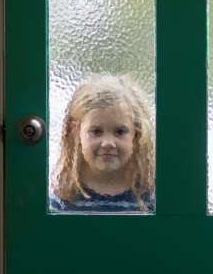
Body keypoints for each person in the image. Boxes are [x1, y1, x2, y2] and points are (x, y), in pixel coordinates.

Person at [50, 74, 155, 212]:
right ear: (76, 132)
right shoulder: (63, 201)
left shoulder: (150, 200)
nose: (107, 143)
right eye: (96, 131)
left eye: (120, 132)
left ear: (136, 135)